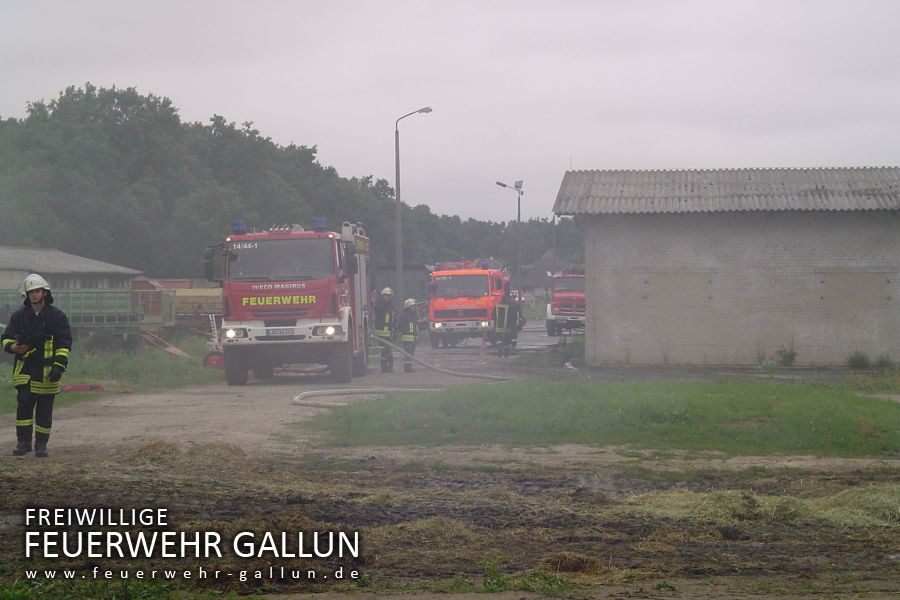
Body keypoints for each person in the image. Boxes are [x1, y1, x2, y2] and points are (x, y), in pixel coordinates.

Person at [1, 274, 72, 458]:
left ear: (45, 293)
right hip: (25, 371)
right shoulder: (18, 316)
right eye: (31, 292)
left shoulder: (57, 317)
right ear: (26, 294)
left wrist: (59, 366)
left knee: (44, 411)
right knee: (23, 407)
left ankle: (41, 445)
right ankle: (23, 443)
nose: (34, 295)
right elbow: (5, 338)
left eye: (37, 291)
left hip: (48, 372)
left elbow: (64, 343)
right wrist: (13, 347)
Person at [494, 286, 522, 358]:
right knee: (507, 341)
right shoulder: (511, 307)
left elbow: (494, 316)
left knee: (499, 340)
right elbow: (514, 317)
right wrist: (516, 326)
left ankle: (499, 350)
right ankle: (506, 353)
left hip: (498, 327)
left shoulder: (497, 306)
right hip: (508, 327)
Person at [372, 287, 396, 372]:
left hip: (389, 332)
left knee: (388, 350)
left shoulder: (390, 305)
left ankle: (390, 366)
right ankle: (384, 367)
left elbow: (393, 316)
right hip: (381, 332)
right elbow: (378, 309)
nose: (387, 298)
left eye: (389, 296)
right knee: (384, 350)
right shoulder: (379, 304)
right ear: (383, 296)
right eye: (386, 296)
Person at [398, 298, 418, 372]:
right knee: (408, 353)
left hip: (412, 337)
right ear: (407, 307)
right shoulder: (404, 316)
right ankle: (407, 368)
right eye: (411, 306)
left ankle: (409, 366)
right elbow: (400, 326)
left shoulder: (413, 316)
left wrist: (416, 335)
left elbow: (415, 326)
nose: (413, 308)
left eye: (414, 306)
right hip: (407, 337)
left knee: (411, 353)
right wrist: (400, 333)